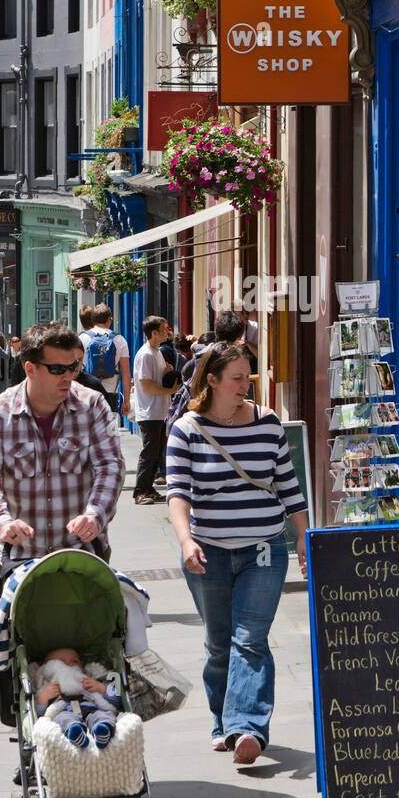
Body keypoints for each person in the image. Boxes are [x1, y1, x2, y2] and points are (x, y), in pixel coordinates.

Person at [167, 342, 308, 766]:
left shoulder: (268, 423)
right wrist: (186, 540)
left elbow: (288, 485)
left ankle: (247, 727)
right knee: (218, 643)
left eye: (248, 376)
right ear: (211, 380)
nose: (245, 385)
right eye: (237, 379)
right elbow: (177, 493)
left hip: (264, 548)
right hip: (208, 550)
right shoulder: (187, 429)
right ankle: (221, 720)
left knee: (250, 639)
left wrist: (303, 536)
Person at [0, 321, 124, 567]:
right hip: (20, 558)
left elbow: (110, 467)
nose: (68, 376)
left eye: (72, 367)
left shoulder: (93, 405)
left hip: (82, 554)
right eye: (56, 369)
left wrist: (94, 515)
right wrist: (2, 521)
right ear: (30, 368)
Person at [34, 647, 121, 749]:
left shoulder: (88, 679)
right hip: (64, 711)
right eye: (61, 663)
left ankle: (102, 731)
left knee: (104, 715)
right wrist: (43, 698)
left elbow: (116, 700)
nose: (70, 665)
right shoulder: (47, 686)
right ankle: (75, 733)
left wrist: (101, 688)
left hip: (92, 709)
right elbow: (40, 714)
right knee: (62, 719)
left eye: (75, 661)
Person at [132, 316, 178, 505]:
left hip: (159, 411)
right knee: (149, 452)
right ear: (154, 333)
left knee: (156, 451)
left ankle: (149, 488)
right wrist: (169, 390)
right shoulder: (146, 354)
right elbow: (146, 384)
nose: (167, 331)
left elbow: (154, 379)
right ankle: (140, 491)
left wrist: (166, 373)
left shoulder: (156, 352)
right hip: (150, 411)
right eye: (163, 329)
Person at [79, 303, 131, 417]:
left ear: (92, 320)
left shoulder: (82, 338)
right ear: (109, 320)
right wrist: (127, 401)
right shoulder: (119, 340)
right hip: (110, 392)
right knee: (108, 430)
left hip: (87, 391)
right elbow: (126, 373)